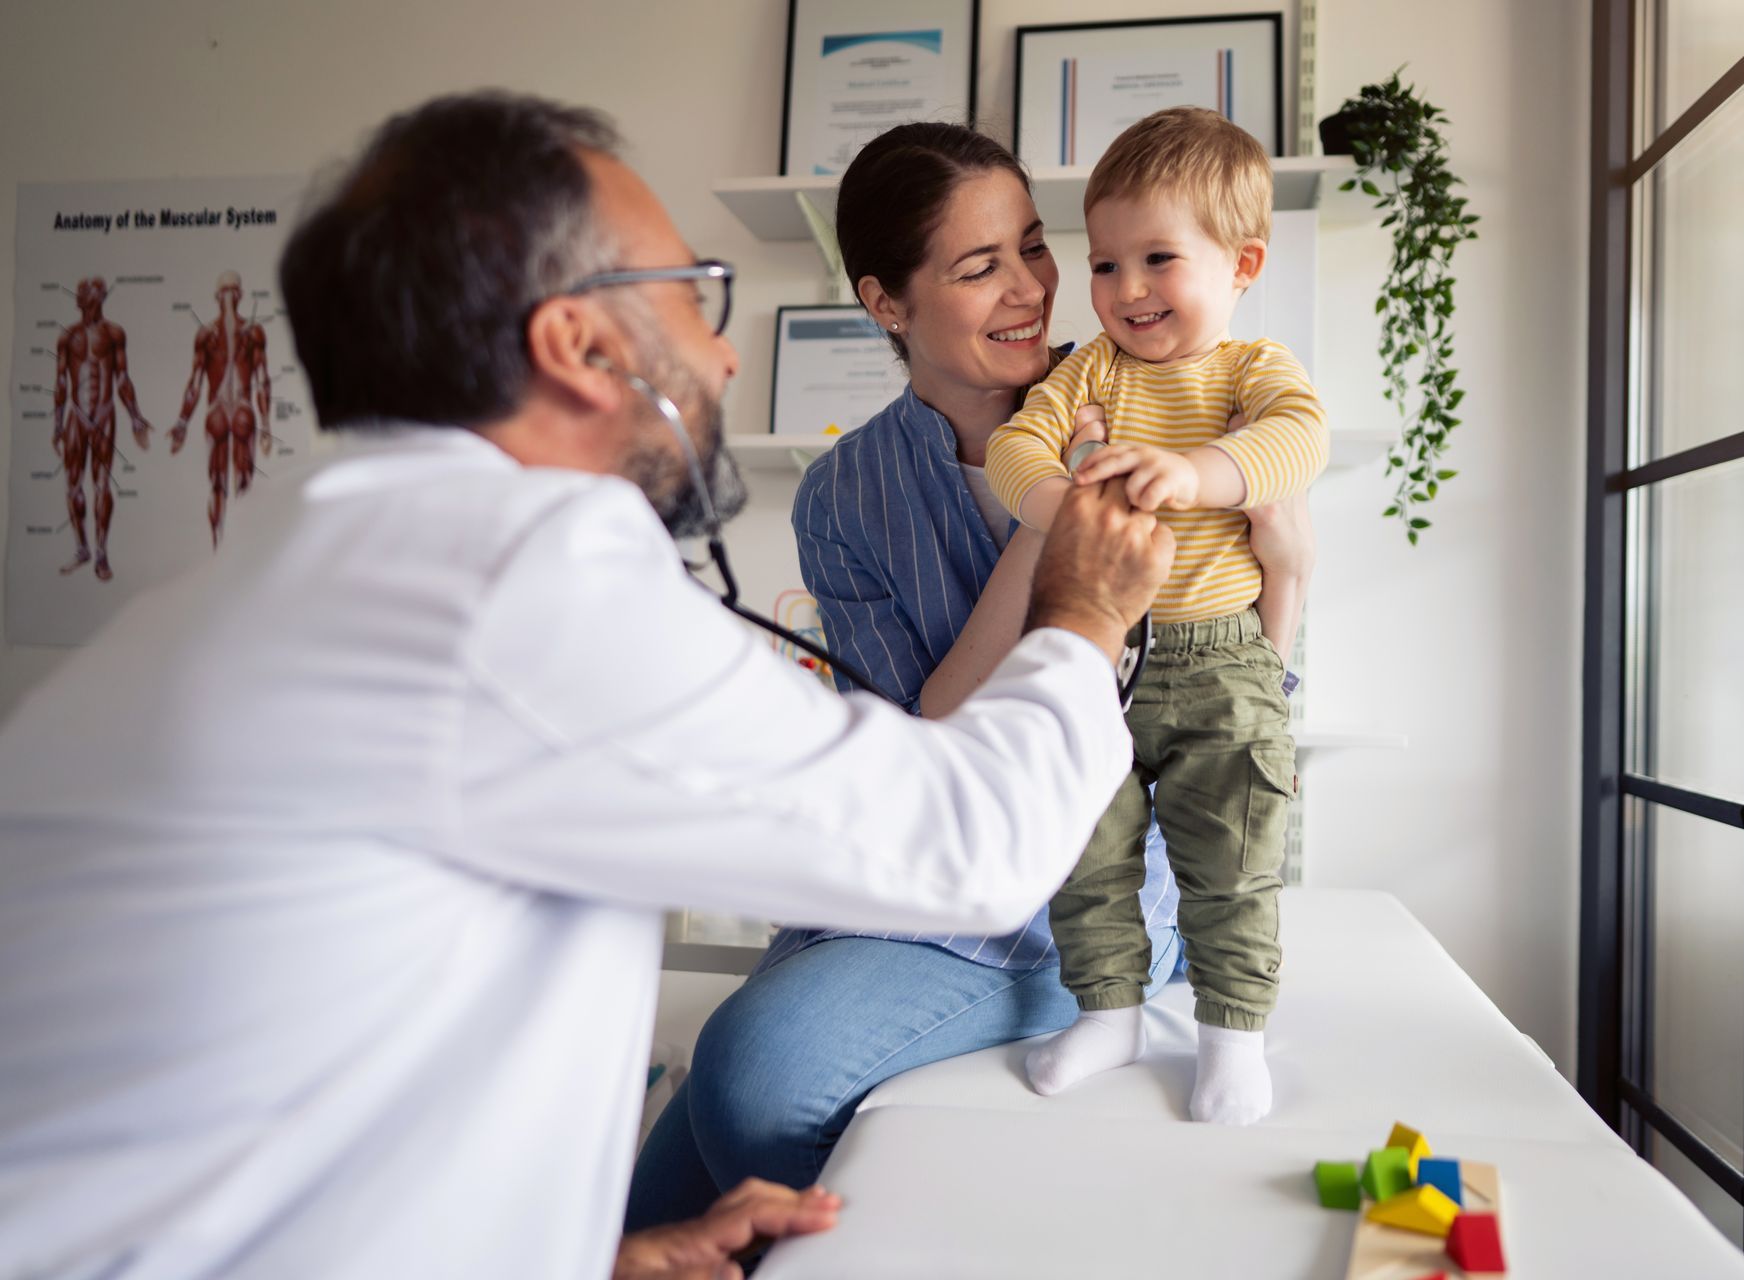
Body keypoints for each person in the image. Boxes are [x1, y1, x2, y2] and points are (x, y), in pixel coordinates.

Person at [0, 93, 1172, 1280]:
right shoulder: (513, 579)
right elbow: (972, 842)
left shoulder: (251, 585)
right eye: (690, 293)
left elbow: (294, 1118)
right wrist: (1082, 604)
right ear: (578, 343)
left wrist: (585, 1253)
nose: (721, 351)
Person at [624, 121, 1196, 1233]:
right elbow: (921, 740)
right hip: (912, 863)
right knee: (635, 1211)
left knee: (752, 1072)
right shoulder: (847, 491)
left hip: (1089, 890)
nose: (1033, 286)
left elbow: (1209, 699)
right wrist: (1052, 521)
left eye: (1033, 245)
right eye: (980, 267)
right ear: (888, 303)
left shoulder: (1153, 412)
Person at [985, 107, 1331, 1125]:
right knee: (1089, 845)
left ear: (1241, 262)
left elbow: (1297, 441)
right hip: (1102, 651)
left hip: (1223, 654)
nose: (1126, 289)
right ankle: (1108, 1010)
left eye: (1157, 259)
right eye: (1103, 263)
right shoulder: (1088, 371)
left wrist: (1198, 468)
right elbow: (1019, 450)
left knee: (1233, 853)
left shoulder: (1250, 370)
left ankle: (1231, 1033)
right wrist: (1066, 507)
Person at [52, 275, 158, 581]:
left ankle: (101, 552)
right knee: (73, 483)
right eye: (90, 293)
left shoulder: (114, 333)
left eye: (99, 293)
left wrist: (135, 415)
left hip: (104, 413)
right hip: (77, 416)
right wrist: (58, 423)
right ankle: (82, 547)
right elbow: (60, 382)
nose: (96, 298)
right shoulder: (67, 336)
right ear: (81, 299)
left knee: (101, 484)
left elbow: (123, 377)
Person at [170, 270, 274, 547]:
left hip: (221, 409)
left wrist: (182, 423)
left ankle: (223, 549)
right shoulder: (250, 332)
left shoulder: (211, 333)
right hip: (239, 408)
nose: (228, 297)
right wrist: (265, 425)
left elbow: (194, 382)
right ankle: (230, 550)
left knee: (222, 483)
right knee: (238, 482)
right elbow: (262, 381)